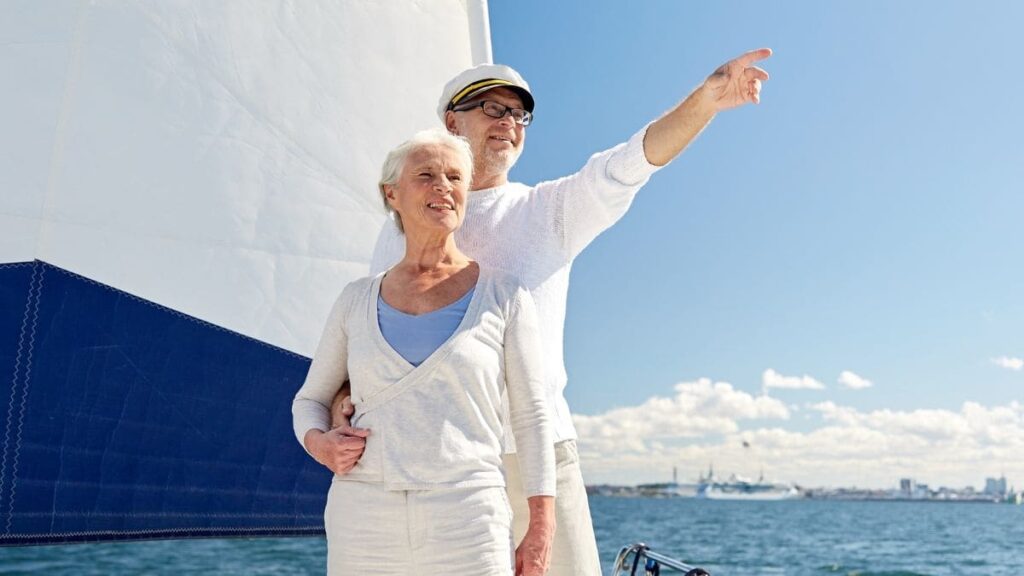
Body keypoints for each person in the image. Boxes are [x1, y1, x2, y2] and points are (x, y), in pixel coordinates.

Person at [332, 49, 773, 575]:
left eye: (519, 115)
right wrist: (342, 394)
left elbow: (632, 162)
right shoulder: (399, 227)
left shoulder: (549, 211)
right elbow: (375, 330)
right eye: (492, 109)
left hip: (532, 456)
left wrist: (705, 101)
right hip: (427, 459)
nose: (509, 123)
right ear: (453, 122)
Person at [292, 129, 556, 576]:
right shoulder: (355, 299)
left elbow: (532, 416)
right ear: (391, 193)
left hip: (470, 518)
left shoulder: (504, 295)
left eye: (455, 177)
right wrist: (320, 445)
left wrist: (541, 529)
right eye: (426, 175)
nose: (443, 186)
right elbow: (311, 400)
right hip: (363, 517)